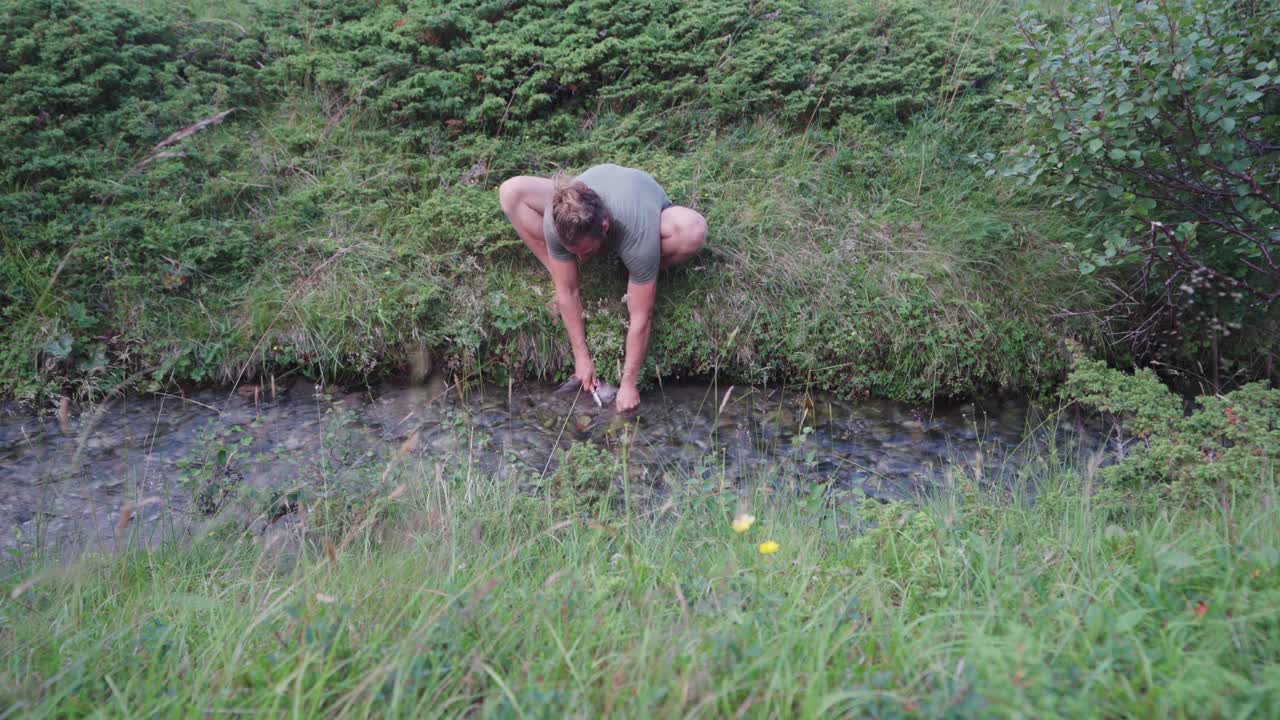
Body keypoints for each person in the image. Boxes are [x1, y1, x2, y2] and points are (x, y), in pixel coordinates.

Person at [499, 164, 707, 412]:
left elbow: (641, 316)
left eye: (585, 252)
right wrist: (581, 357)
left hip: (640, 203)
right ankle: (560, 268)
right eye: (573, 252)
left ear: (605, 226)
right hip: (590, 204)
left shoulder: (636, 229)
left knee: (693, 230)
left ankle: (638, 270)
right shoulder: (556, 220)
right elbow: (568, 292)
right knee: (510, 191)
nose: (581, 260)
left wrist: (628, 383)